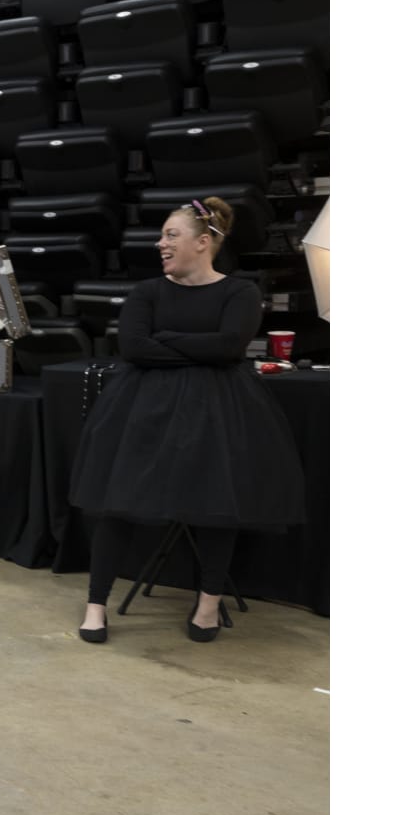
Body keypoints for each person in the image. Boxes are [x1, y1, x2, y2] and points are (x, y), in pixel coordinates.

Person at [68, 198, 305, 644]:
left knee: (216, 505)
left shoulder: (239, 292)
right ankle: (96, 605)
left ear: (203, 242)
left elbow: (230, 348)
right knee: (117, 503)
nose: (161, 244)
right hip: (143, 411)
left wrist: (168, 339)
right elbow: (135, 347)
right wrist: (198, 346)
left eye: (170, 235)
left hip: (217, 411)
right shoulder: (148, 293)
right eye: (162, 236)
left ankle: (208, 604)